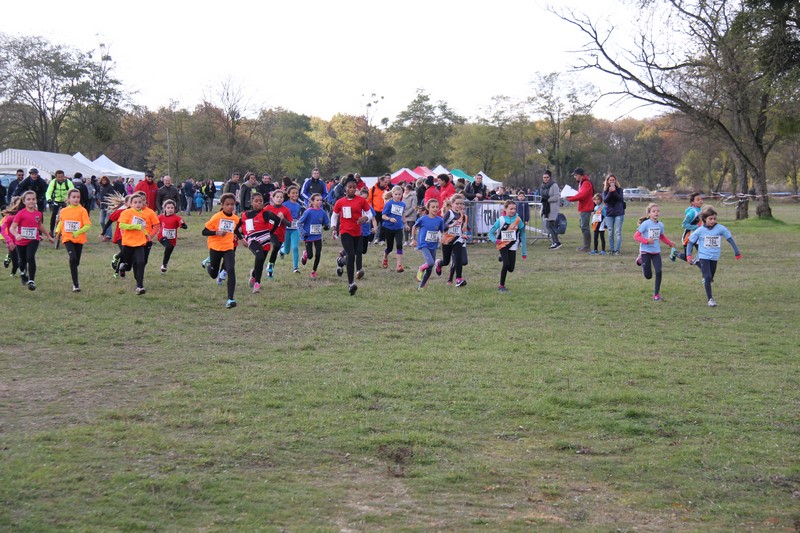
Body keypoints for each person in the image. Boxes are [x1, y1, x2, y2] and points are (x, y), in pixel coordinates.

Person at [686, 207, 742, 307]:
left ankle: (701, 269)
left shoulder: (720, 228)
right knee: (707, 277)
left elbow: (729, 239)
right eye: (710, 219)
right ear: (704, 219)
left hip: (714, 257)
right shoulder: (700, 230)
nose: (713, 221)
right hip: (704, 256)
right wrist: (688, 255)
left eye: (714, 219)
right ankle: (710, 299)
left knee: (710, 277)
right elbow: (690, 243)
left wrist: (736, 251)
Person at [331, 175, 372, 296]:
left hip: (357, 232)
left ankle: (340, 261)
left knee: (352, 255)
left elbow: (370, 214)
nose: (352, 189)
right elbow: (334, 216)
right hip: (345, 232)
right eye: (350, 187)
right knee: (351, 255)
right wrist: (334, 228)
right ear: (345, 188)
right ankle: (351, 284)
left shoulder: (361, 200)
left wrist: (365, 218)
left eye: (354, 187)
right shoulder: (340, 202)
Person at [238, 192, 282, 294]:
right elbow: (236, 227)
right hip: (252, 239)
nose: (259, 203)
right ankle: (257, 283)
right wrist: (241, 238)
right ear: (251, 202)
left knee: (260, 261)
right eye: (256, 201)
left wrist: (271, 232)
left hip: (265, 239)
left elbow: (277, 220)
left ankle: (254, 274)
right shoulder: (246, 215)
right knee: (259, 256)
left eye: (261, 201)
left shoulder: (266, 213)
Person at [200, 193, 239, 308]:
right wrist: (216, 232)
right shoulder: (217, 217)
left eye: (232, 204)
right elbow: (204, 232)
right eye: (227, 204)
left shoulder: (235, 218)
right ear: (222, 205)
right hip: (215, 248)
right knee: (213, 274)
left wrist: (242, 239)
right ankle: (209, 264)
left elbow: (236, 229)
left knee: (231, 269)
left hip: (228, 248)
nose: (230, 207)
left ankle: (230, 299)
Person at [9, 190, 54, 290]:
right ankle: (22, 273)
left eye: (33, 199)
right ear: (24, 201)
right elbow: (12, 228)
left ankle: (31, 281)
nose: (31, 201)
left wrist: (48, 236)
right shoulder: (21, 214)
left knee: (30, 257)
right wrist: (16, 235)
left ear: (36, 200)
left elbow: (39, 225)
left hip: (33, 239)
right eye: (28, 199)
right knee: (22, 260)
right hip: (21, 241)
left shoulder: (38, 214)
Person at [633, 203, 676, 302]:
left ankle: (656, 295)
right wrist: (647, 241)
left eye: (657, 211)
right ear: (649, 214)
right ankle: (640, 260)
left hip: (656, 252)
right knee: (648, 276)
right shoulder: (645, 224)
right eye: (654, 211)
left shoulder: (660, 225)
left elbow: (661, 236)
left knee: (659, 271)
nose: (656, 213)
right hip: (645, 251)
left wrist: (669, 243)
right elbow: (636, 236)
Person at [117, 193, 159, 295]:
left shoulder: (144, 214)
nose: (138, 204)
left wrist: (148, 235)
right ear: (130, 204)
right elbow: (121, 225)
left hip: (140, 243)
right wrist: (135, 227)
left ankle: (140, 286)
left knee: (141, 262)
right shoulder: (126, 213)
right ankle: (122, 266)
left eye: (140, 202)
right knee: (128, 266)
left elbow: (143, 227)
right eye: (135, 202)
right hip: (128, 243)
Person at [55, 189, 92, 292]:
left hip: (79, 239)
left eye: (78, 197)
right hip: (67, 238)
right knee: (73, 258)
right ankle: (76, 285)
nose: (76, 199)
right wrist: (57, 231)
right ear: (69, 199)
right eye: (74, 197)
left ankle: (73, 267)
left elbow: (87, 225)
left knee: (76, 262)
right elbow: (61, 222)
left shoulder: (82, 210)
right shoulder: (64, 211)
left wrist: (77, 232)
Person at [488, 200, 527, 292]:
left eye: (514, 209)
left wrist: (524, 251)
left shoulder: (518, 220)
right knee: (506, 264)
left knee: (511, 268)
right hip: (502, 245)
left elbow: (523, 234)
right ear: (505, 209)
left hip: (513, 244)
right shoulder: (501, 220)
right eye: (511, 209)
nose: (513, 211)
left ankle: (501, 257)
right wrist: (495, 241)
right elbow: (490, 233)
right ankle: (501, 286)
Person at [411, 198, 444, 290]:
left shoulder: (440, 220)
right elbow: (414, 227)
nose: (435, 209)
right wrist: (413, 239)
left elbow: (442, 231)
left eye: (437, 207)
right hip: (424, 244)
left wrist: (442, 237)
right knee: (430, 262)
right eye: (433, 207)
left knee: (430, 268)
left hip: (433, 245)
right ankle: (421, 268)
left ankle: (421, 286)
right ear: (428, 208)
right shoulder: (423, 219)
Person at [437, 193, 469, 287]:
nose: (459, 205)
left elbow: (461, 228)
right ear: (452, 204)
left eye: (461, 204)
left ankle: (458, 279)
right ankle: (439, 263)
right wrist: (451, 225)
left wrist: (463, 235)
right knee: (446, 261)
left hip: (457, 239)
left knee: (458, 258)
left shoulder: (462, 215)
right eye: (457, 203)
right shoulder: (449, 213)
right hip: (447, 240)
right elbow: (441, 226)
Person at [297, 193, 331, 279]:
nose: (319, 202)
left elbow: (326, 223)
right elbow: (299, 223)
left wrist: (327, 226)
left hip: (318, 236)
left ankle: (313, 271)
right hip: (308, 236)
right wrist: (303, 232)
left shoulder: (323, 212)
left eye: (320, 200)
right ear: (312, 202)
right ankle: (305, 254)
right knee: (310, 256)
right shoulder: (308, 212)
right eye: (317, 200)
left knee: (318, 254)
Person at [263, 189, 291, 280]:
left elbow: (289, 224)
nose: (279, 199)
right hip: (270, 232)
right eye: (277, 197)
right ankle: (265, 267)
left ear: (283, 199)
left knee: (276, 248)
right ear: (273, 198)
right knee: (275, 246)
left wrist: (282, 218)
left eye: (281, 197)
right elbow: (261, 217)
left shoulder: (285, 210)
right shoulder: (268, 208)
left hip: (280, 234)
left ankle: (270, 266)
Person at [566, 167, 595, 252]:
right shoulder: (582, 183)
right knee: (583, 226)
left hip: (586, 207)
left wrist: (570, 199)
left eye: (575, 175)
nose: (575, 177)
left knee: (585, 227)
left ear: (579, 175)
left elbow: (581, 195)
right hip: (584, 207)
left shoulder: (586, 183)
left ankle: (586, 247)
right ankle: (585, 245)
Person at [671, 192, 705, 264]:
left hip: (698, 237)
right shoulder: (692, 212)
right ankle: (674, 252)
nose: (700, 201)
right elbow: (684, 225)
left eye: (701, 199)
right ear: (692, 202)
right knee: (687, 258)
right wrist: (696, 227)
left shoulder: (701, 210)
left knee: (703, 254)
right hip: (688, 237)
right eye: (698, 200)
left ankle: (703, 267)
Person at [157, 199, 188, 274]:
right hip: (162, 237)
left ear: (174, 209)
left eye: (172, 208)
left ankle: (164, 265)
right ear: (164, 208)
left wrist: (183, 225)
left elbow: (184, 226)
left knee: (169, 251)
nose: (170, 209)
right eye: (168, 208)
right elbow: (154, 223)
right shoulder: (160, 217)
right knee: (168, 246)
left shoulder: (177, 218)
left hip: (172, 239)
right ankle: (164, 265)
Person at [381, 186, 407, 272]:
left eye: (399, 194)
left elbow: (403, 215)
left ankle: (399, 266)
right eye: (396, 194)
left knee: (399, 245)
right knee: (390, 247)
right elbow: (383, 216)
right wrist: (389, 219)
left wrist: (405, 224)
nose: (398, 196)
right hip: (388, 227)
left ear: (402, 194)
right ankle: (385, 256)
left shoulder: (403, 204)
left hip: (399, 228)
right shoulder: (389, 204)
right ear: (392, 194)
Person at [280, 185, 303, 273]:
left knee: (295, 248)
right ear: (288, 194)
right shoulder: (284, 205)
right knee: (286, 251)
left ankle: (296, 268)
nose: (295, 194)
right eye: (293, 193)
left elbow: (298, 216)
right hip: (286, 229)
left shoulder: (298, 205)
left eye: (296, 193)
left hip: (295, 229)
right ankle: (281, 251)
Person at [45, 170, 74, 235]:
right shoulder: (53, 182)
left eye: (62, 177)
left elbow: (72, 190)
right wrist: (49, 199)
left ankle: (66, 230)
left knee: (67, 217)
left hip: (66, 201)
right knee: (53, 215)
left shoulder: (68, 182)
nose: (60, 178)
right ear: (56, 177)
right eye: (59, 177)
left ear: (64, 176)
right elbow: (48, 192)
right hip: (56, 201)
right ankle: (51, 230)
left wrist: (69, 199)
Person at [602, 174, 625, 255]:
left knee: (618, 231)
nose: (612, 181)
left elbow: (620, 198)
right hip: (609, 213)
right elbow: (605, 200)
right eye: (610, 180)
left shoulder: (620, 190)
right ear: (607, 181)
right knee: (610, 232)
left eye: (613, 180)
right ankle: (612, 250)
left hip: (619, 213)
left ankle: (617, 250)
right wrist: (610, 192)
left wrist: (614, 191)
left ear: (615, 181)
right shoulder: (605, 191)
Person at [539, 170, 562, 250]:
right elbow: (542, 196)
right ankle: (555, 241)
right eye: (544, 177)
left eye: (547, 177)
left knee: (549, 225)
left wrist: (547, 199)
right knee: (549, 225)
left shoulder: (554, 185)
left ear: (550, 177)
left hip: (552, 208)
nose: (545, 179)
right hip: (546, 208)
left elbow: (556, 197)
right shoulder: (542, 186)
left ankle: (556, 242)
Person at [1, 196, 23, 276]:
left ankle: (23, 272)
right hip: (12, 242)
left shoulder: (25, 216)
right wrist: (7, 239)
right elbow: (2, 228)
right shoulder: (9, 217)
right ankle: (13, 272)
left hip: (22, 242)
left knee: (22, 258)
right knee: (15, 261)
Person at [367, 173, 390, 243]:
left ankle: (382, 240)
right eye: (385, 182)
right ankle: (369, 239)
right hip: (375, 210)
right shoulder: (373, 189)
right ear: (381, 181)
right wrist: (371, 209)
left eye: (387, 182)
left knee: (384, 226)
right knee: (373, 225)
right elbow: (369, 200)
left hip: (384, 211)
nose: (386, 183)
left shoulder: (388, 190)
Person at [95, 176, 115, 241]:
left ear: (107, 181)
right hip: (102, 206)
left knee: (107, 221)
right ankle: (105, 233)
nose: (104, 181)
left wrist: (107, 201)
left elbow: (112, 196)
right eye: (103, 180)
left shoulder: (110, 187)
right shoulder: (100, 186)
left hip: (108, 206)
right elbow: (97, 193)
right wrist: (99, 198)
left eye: (105, 180)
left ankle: (108, 236)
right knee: (101, 221)